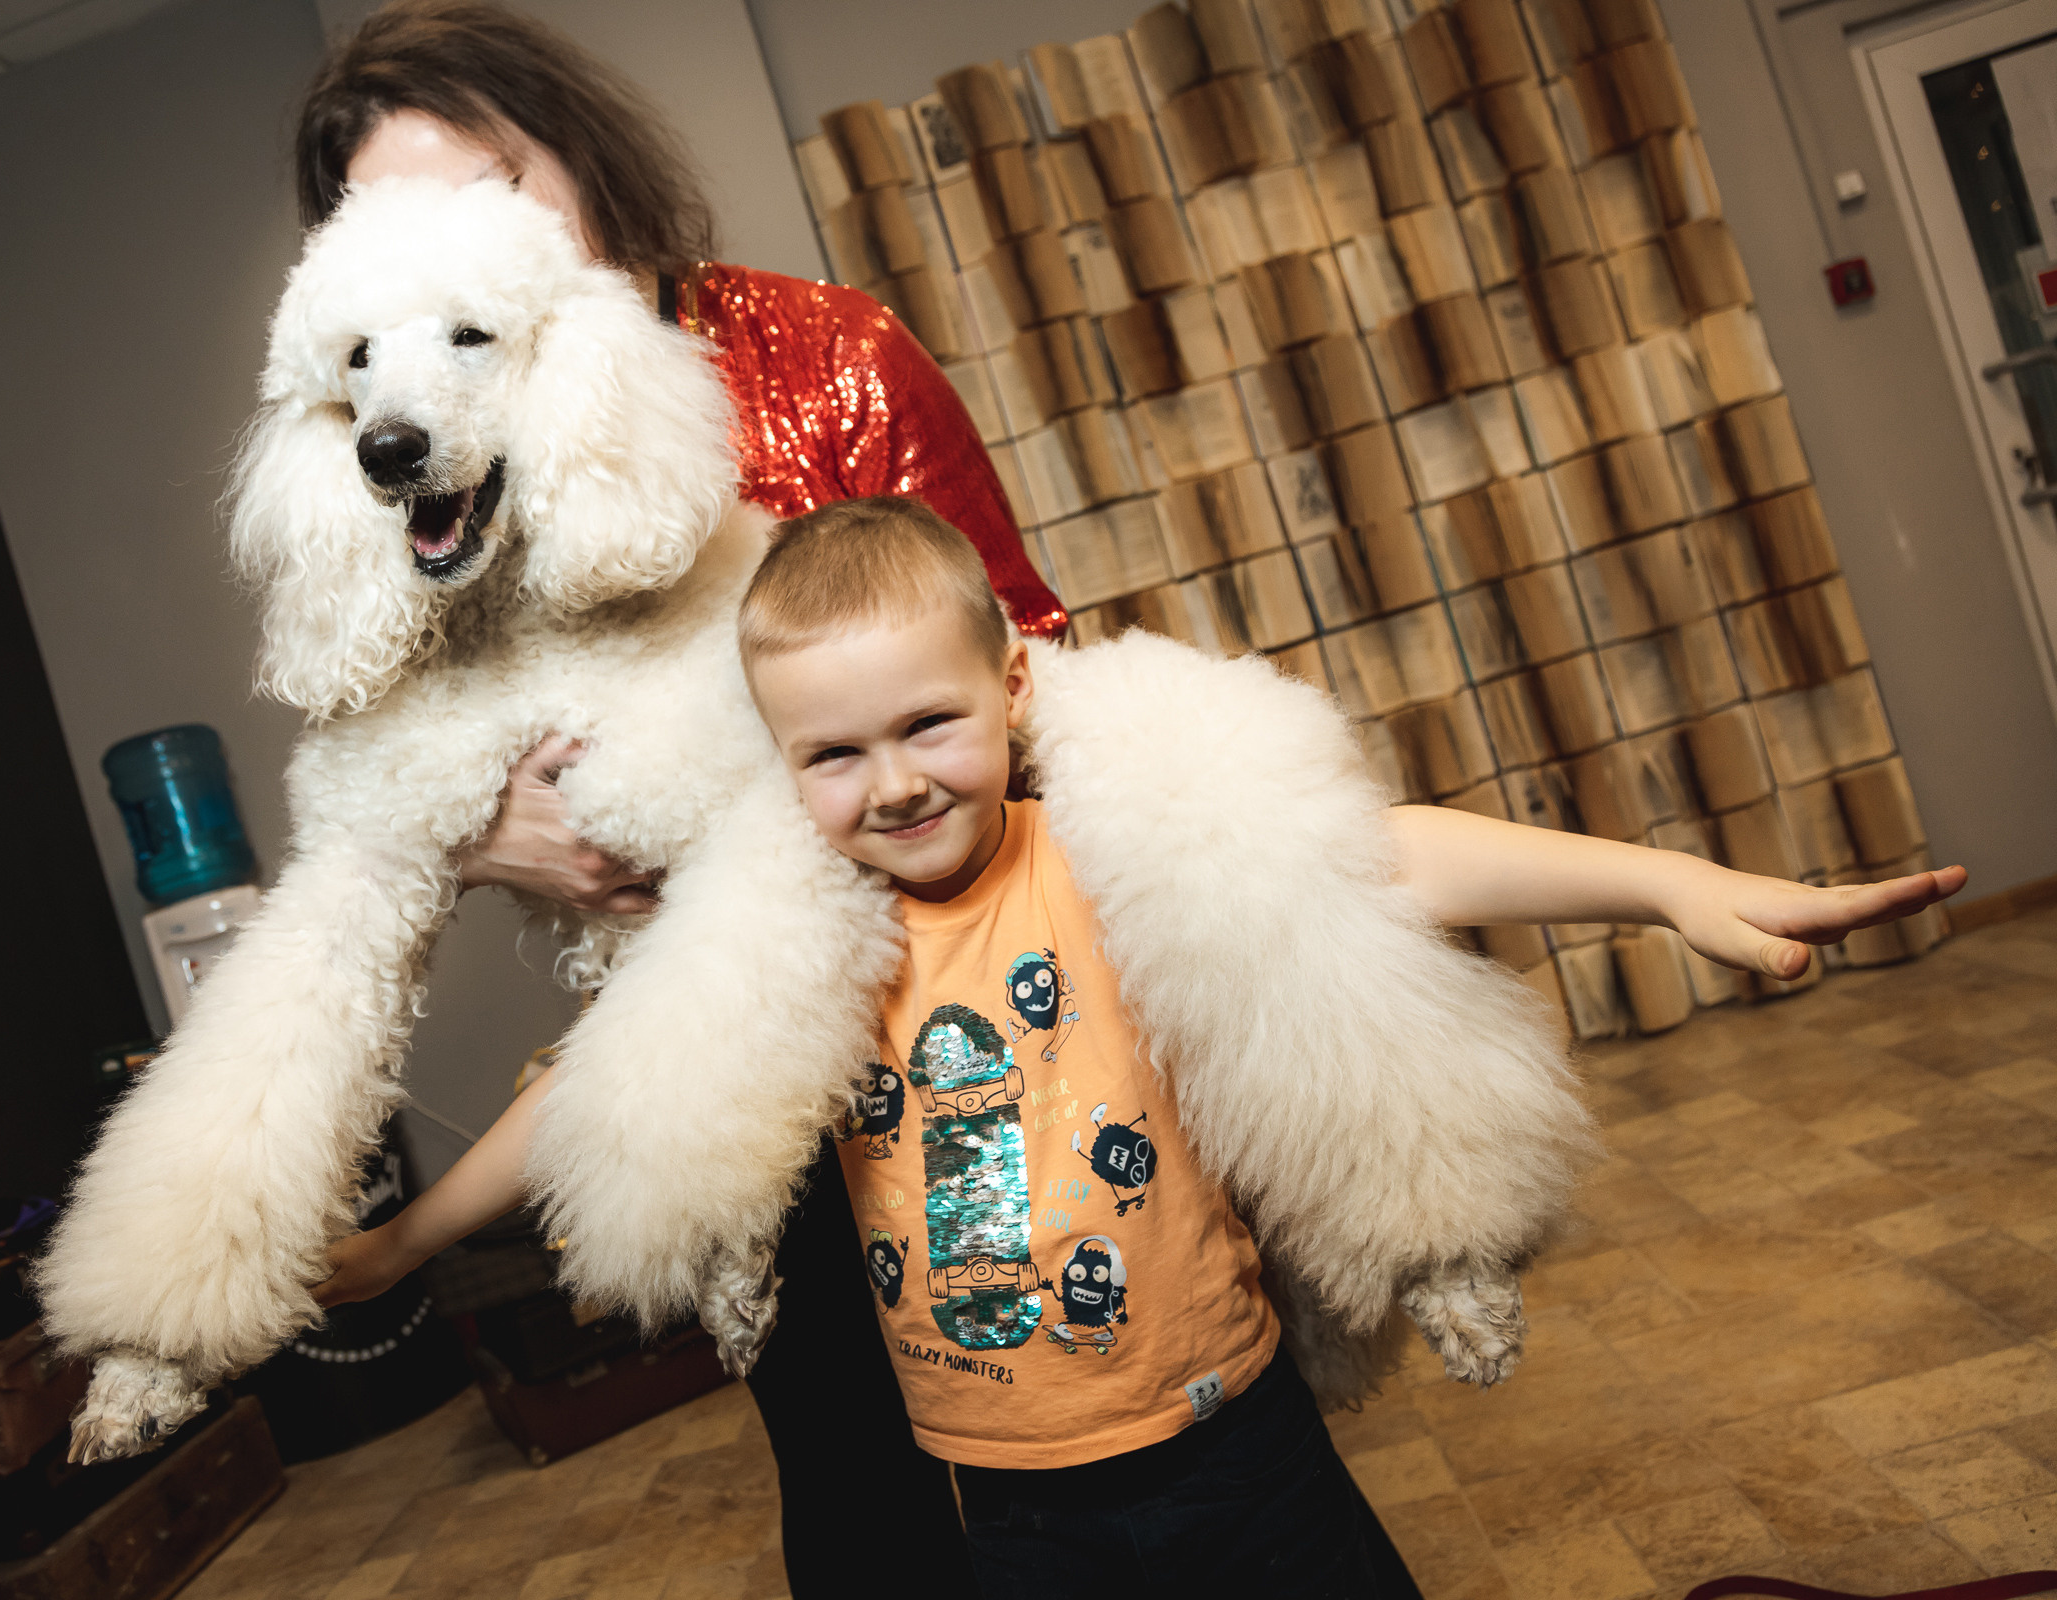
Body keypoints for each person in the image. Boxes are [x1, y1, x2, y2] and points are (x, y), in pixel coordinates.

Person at [322, 497, 1964, 1594]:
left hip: (1229, 1446)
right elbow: (599, 1090)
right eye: (833, 754)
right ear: (776, 766)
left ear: (1013, 690)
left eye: (928, 725)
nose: (892, 783)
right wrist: (403, 1241)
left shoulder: (1103, 857)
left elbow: (1389, 853)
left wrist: (1677, 890)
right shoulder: (792, 935)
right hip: (1007, 1501)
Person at [293, 5, 1060, 1586]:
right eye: (391, 215)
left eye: (493, 180)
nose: (454, 234)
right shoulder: (410, 449)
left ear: (576, 151)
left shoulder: (828, 351)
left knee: (1082, 1432)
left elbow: (1031, 656)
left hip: (964, 1019)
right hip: (724, 1068)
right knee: (857, 1487)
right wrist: (491, 832)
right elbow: (396, 746)